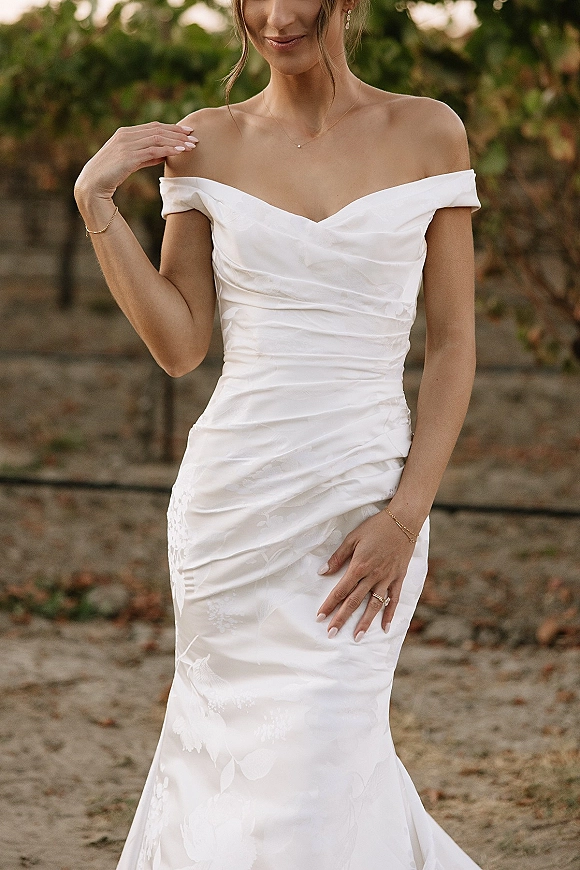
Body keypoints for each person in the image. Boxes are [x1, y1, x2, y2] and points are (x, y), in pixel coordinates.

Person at [74, 0, 483, 866]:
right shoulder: (205, 141)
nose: (274, 14)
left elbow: (451, 346)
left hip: (364, 499)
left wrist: (406, 515)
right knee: (232, 760)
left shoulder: (430, 132)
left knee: (324, 760)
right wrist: (95, 201)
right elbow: (181, 346)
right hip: (234, 507)